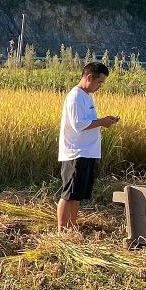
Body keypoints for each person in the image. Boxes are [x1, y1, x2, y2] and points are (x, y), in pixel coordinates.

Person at [57, 62, 119, 230]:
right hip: (76, 152)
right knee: (68, 194)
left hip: (87, 152)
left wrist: (104, 121)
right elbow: (78, 124)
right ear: (89, 77)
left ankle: (71, 227)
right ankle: (62, 230)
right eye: (99, 82)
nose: (100, 86)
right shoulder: (75, 96)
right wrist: (102, 122)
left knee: (77, 195)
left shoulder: (87, 96)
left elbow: (88, 122)